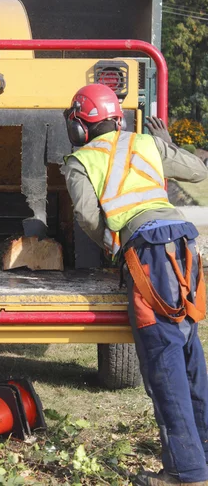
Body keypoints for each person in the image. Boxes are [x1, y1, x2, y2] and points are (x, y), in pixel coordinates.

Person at [62, 84, 208, 486]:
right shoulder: (146, 143)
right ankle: (202, 456)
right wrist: (166, 142)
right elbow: (199, 171)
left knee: (163, 359)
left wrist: (116, 249)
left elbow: (89, 218)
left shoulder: (80, 159)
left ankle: (186, 473)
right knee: (187, 350)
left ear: (79, 127)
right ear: (118, 118)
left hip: (149, 253)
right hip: (183, 243)